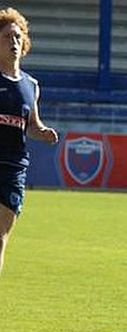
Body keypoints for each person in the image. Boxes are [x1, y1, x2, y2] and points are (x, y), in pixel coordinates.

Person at [0, 8, 58, 274]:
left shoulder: (31, 85)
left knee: (0, 238)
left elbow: (31, 125)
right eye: (7, 37)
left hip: (13, 170)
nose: (13, 42)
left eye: (18, 36)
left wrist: (42, 131)